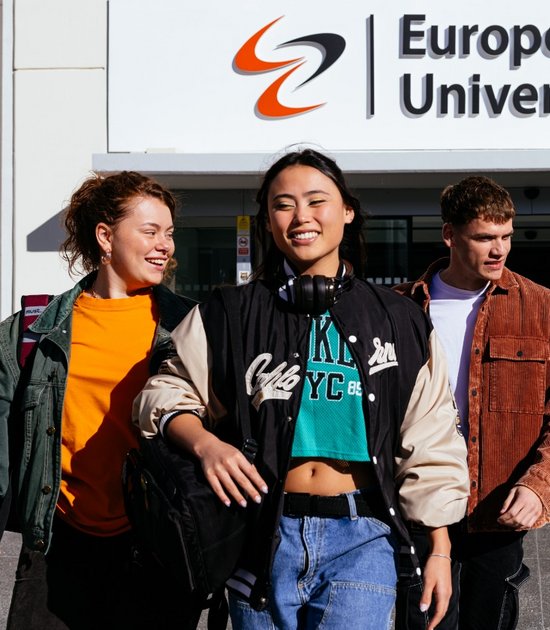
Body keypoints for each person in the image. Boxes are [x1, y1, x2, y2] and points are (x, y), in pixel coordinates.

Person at [133, 149, 469, 630]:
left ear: (347, 211)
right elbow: (164, 393)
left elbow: (431, 437)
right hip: (259, 538)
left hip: (363, 536)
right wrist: (206, 445)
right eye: (283, 205)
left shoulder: (399, 319)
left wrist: (439, 548)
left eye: (316, 201)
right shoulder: (227, 313)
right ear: (267, 220)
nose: (301, 217)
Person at [0, 171, 198, 629]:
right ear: (105, 236)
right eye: (150, 231)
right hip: (58, 542)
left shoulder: (190, 328)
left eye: (169, 233)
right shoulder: (30, 333)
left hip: (156, 543)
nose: (165, 245)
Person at [394, 176, 550, 630]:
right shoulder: (398, 308)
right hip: (418, 505)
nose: (499, 249)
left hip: (496, 509)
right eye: (484, 237)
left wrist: (539, 485)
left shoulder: (544, 309)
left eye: (506, 236)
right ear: (450, 234)